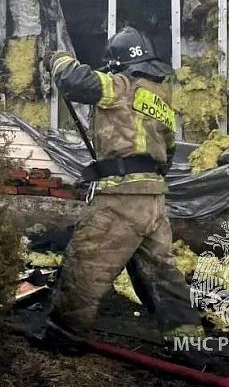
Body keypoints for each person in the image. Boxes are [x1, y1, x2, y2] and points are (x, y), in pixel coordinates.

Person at [42, 27, 203, 349]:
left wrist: (57, 58)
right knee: (161, 275)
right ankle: (189, 344)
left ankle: (64, 338)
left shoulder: (118, 86)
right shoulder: (159, 99)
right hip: (153, 199)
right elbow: (168, 153)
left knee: (85, 264)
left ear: (117, 65)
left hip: (121, 198)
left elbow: (75, 81)